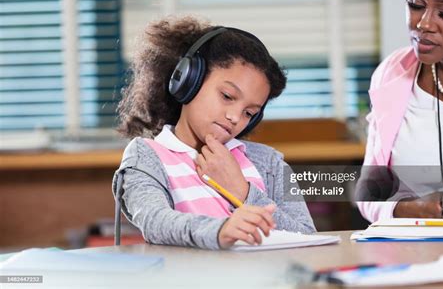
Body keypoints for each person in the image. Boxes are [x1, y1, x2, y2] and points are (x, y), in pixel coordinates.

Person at [112, 16, 316, 250]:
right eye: (227, 96)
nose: (235, 117)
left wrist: (241, 190)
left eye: (249, 113)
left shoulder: (269, 162)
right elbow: (155, 221)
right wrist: (220, 230)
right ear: (188, 80)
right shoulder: (147, 157)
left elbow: (306, 235)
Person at [358, 0, 443, 222]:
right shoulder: (393, 72)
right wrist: (411, 209)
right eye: (416, 5)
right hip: (416, 252)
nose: (423, 23)